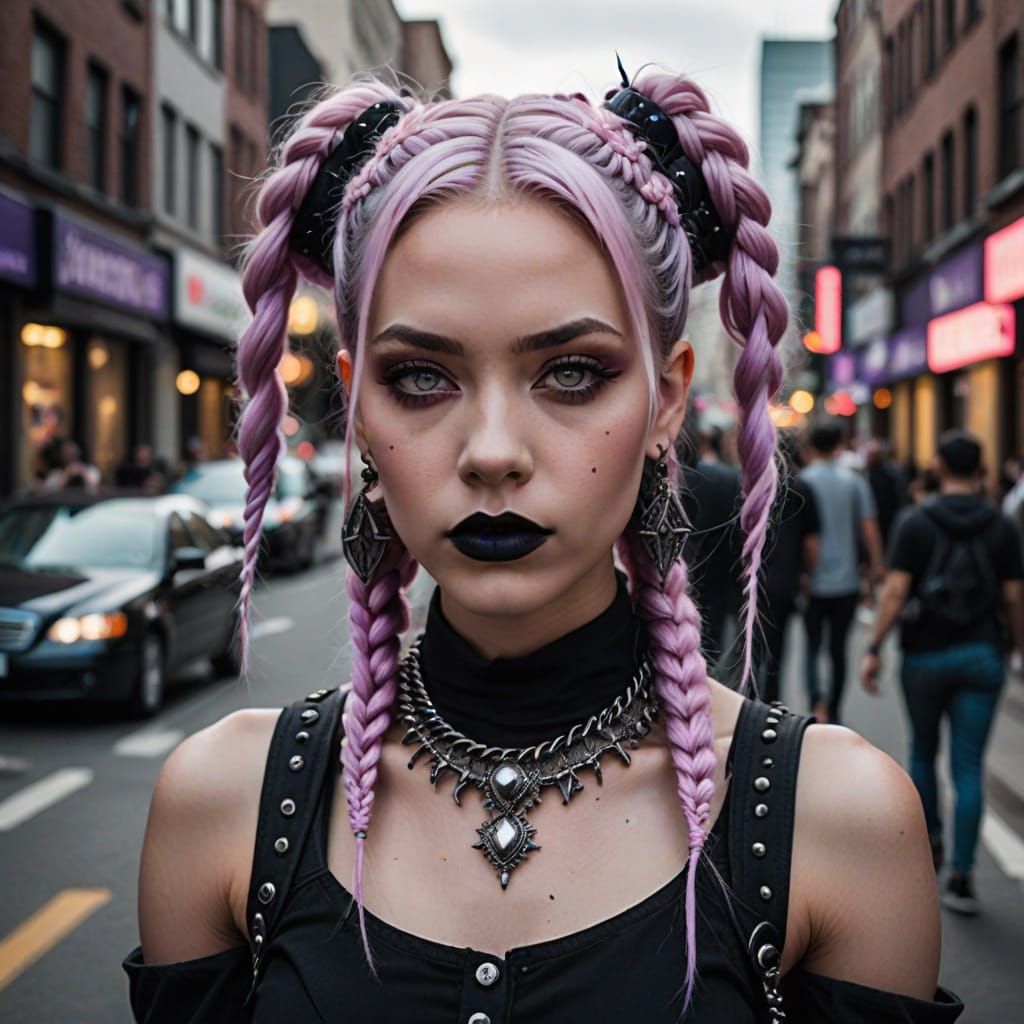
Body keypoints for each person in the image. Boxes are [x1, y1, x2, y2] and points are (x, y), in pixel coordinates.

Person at [123, 68, 962, 1021]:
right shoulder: (223, 804)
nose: (492, 454)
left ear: (668, 399)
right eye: (420, 378)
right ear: (354, 397)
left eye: (570, 372)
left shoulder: (839, 820)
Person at [860, 431, 1024, 917]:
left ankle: (928, 842)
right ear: (981, 469)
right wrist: (1017, 649)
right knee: (969, 766)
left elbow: (894, 592)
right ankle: (962, 875)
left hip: (925, 656)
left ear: (935, 465)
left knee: (924, 753)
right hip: (981, 655)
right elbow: (1014, 598)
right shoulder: (1000, 525)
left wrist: (874, 647)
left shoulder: (916, 523)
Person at [800, 422, 884, 724]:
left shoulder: (802, 480)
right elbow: (869, 527)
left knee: (812, 644)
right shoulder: (854, 482)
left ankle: (814, 699)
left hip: (811, 581)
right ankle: (834, 707)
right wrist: (876, 566)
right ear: (839, 445)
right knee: (838, 648)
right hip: (847, 581)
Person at [758, 431, 819, 705]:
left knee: (749, 648)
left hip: (752, 581)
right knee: (777, 651)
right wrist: (808, 574)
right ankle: (772, 705)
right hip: (784, 581)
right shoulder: (801, 488)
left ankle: (746, 703)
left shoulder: (750, 484)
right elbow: (811, 542)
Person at [681, 426, 743, 671]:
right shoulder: (728, 478)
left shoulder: (666, 478)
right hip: (719, 574)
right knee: (713, 643)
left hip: (679, 575)